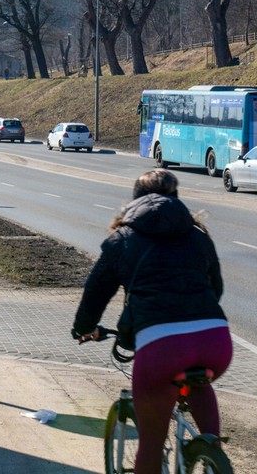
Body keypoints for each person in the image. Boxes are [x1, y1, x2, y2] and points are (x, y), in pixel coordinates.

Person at [72, 170, 232, 474]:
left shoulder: (121, 239)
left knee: (151, 444)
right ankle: (213, 456)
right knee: (199, 382)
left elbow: (95, 294)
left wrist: (84, 328)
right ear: (177, 199)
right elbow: (217, 288)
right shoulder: (198, 235)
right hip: (216, 341)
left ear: (134, 200)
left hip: (162, 348)